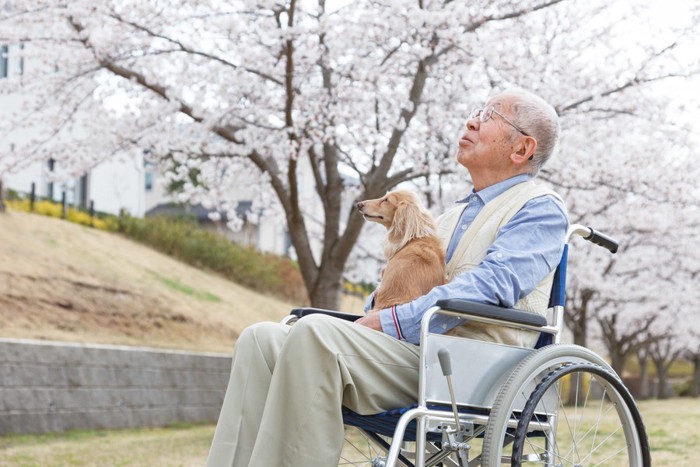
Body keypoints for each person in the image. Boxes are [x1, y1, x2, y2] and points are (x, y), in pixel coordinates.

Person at [206, 89, 569, 467]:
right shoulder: (446, 217)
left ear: (522, 148)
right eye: (477, 111)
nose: (472, 121)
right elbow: (397, 292)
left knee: (316, 334)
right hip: (418, 350)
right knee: (260, 339)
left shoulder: (539, 208)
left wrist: (394, 319)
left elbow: (494, 286)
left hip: (473, 363)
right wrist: (383, 305)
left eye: (490, 115)